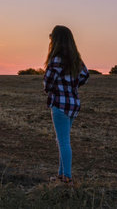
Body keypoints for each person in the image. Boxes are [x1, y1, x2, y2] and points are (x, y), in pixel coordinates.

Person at [43, 25, 89, 186]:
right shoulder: (76, 59)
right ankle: (61, 176)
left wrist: (53, 88)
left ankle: (67, 178)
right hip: (73, 103)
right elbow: (85, 75)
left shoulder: (56, 59)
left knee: (63, 141)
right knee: (62, 140)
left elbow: (47, 82)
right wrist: (72, 86)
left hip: (60, 104)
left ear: (56, 40)